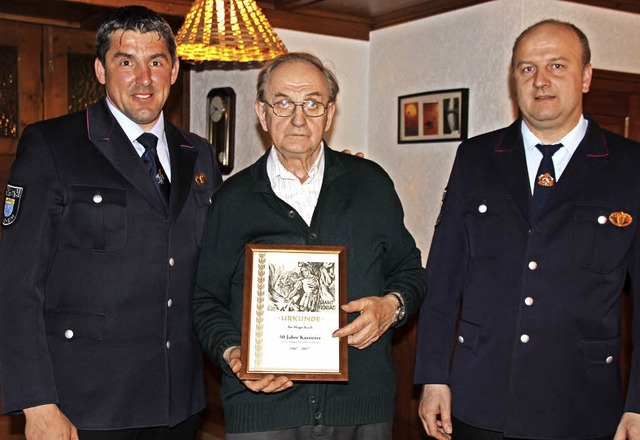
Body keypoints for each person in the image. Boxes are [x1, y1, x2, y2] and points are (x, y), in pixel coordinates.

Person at [0, 5, 221, 439]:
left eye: (156, 62)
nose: (144, 78)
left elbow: (218, 258)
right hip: (84, 405)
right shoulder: (53, 146)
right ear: (100, 70)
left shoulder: (199, 154)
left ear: (174, 70)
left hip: (179, 401)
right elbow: (16, 284)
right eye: (126, 61)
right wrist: (37, 404)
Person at [414, 19, 640, 440]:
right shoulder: (477, 157)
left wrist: (639, 405)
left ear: (586, 76)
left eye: (557, 66)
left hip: (582, 407)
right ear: (513, 78)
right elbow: (443, 279)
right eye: (526, 68)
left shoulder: (630, 166)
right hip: (480, 400)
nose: (540, 81)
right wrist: (432, 377)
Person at [192, 52, 426, 439]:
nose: (298, 118)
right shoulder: (231, 200)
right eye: (283, 103)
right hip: (262, 413)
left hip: (361, 412)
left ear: (329, 114)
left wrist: (392, 306)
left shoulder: (371, 184)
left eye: (313, 103)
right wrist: (234, 352)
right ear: (262, 114)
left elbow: (410, 270)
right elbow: (206, 300)